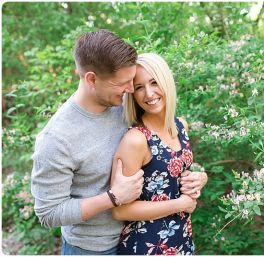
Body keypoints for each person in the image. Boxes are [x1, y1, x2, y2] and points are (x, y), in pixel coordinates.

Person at [30, 29, 145, 255]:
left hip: (140, 238)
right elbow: (48, 213)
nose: (131, 89)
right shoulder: (56, 139)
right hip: (94, 250)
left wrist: (192, 176)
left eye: (132, 80)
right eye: (122, 82)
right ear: (91, 79)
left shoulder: (124, 102)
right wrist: (113, 198)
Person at [111, 53, 206, 255]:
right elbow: (120, 210)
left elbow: (178, 178)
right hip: (147, 245)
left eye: (154, 82)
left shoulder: (181, 125)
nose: (148, 93)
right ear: (133, 94)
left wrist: (200, 179)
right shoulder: (136, 140)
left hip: (182, 239)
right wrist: (180, 204)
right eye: (139, 87)